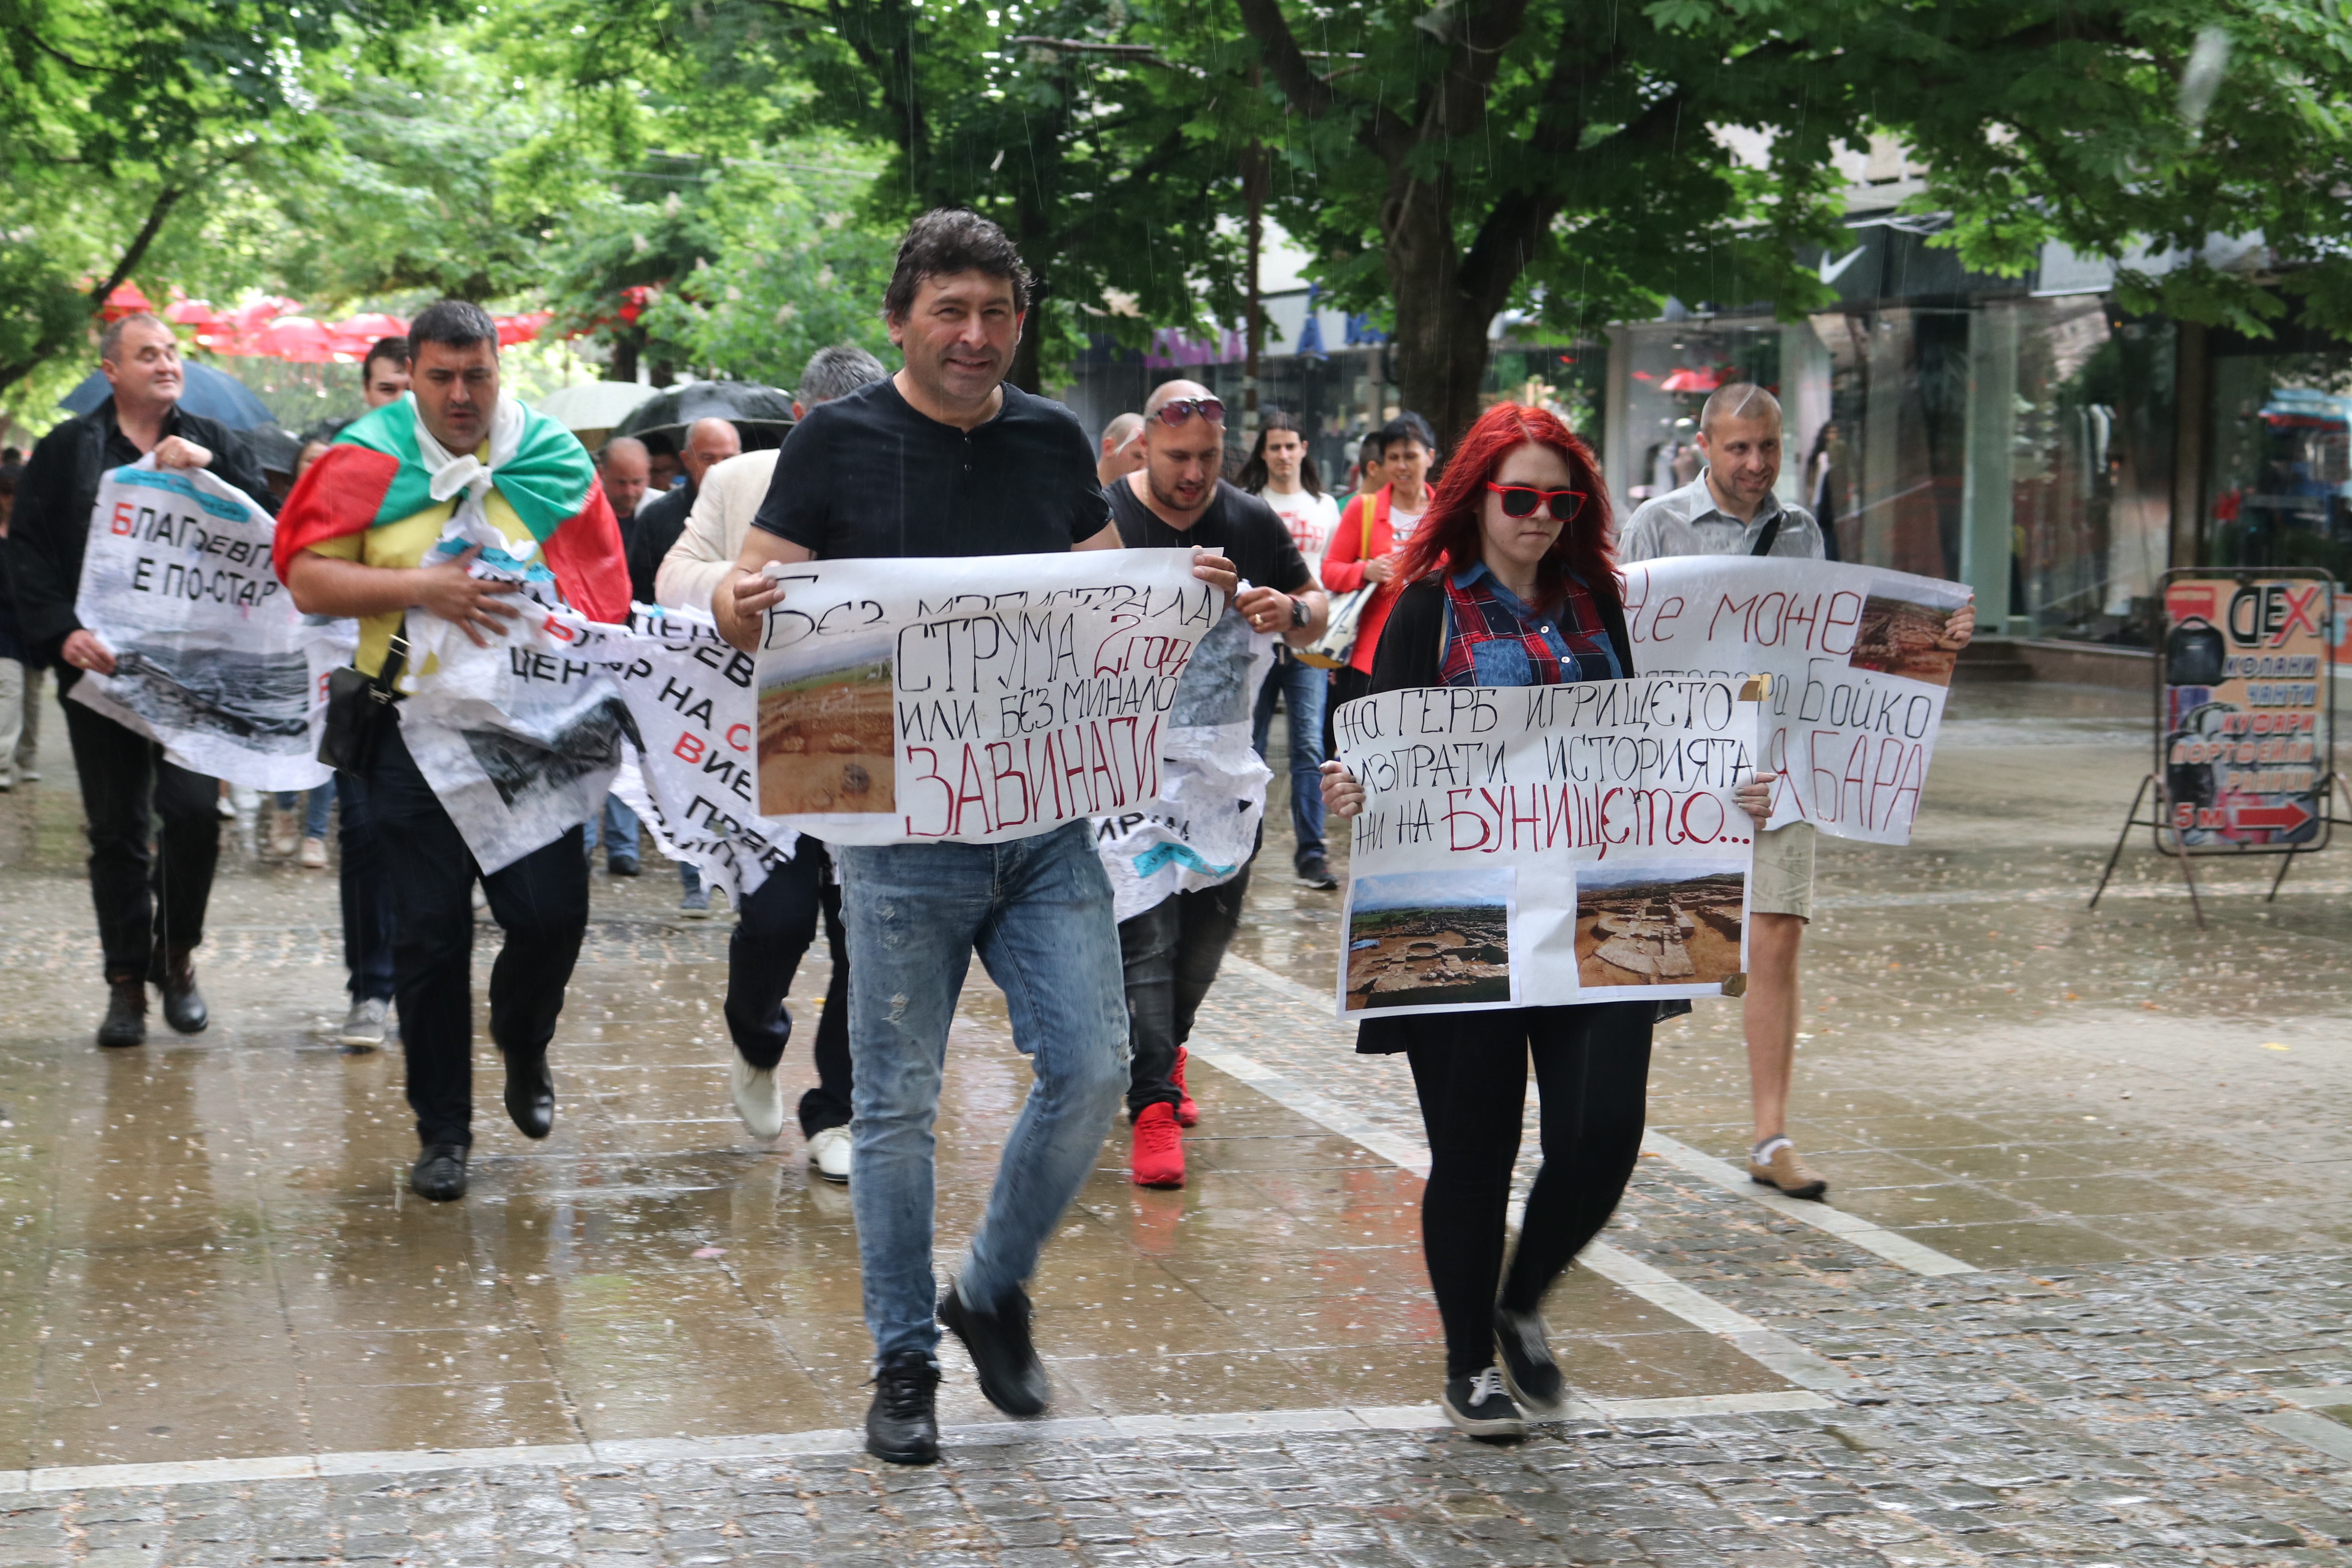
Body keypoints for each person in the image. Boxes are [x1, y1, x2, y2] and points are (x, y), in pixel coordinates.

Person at [713, 209, 1238, 1466]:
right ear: (901, 317)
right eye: (951, 309)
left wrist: (1196, 602)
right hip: (897, 840)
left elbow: (1107, 595)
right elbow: (753, 602)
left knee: (1096, 1067)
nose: (975, 334)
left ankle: (989, 1286)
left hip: (1047, 821)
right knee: (892, 1109)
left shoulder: (1054, 436)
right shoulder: (834, 441)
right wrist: (740, 602)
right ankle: (903, 1359)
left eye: (998, 312)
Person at [1319, 401, 1777, 1441]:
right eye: (1518, 498)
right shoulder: (1422, 606)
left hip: (1604, 903)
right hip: (1461, 906)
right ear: (1476, 496)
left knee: (1604, 1132)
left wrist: (1724, 792)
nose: (1536, 519)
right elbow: (1367, 734)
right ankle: (1469, 1363)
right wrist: (1351, 788)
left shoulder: (1595, 604)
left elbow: (1653, 740)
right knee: (1475, 1151)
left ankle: (1522, 1297)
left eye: (1558, 502)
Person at [276, 299, 630, 1202]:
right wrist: (421, 585)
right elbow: (306, 572)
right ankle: (443, 1131)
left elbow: (606, 598)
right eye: (441, 377)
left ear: (501, 370)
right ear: (414, 372)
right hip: (406, 729)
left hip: (533, 730)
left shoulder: (551, 458)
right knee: (428, 940)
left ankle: (524, 1038)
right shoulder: (368, 457)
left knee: (551, 916)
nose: (461, 394)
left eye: (479, 375)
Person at [1619, 383, 1971, 1202]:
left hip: (1779, 761)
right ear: (1704, 444)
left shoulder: (1804, 529)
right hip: (1677, 765)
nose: (1754, 464)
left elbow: (1841, 641)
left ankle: (1771, 1135)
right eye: (1739, 447)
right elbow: (1624, 642)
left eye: (1768, 447)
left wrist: (1935, 632)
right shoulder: (1656, 525)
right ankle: (1614, 1122)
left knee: (1777, 936)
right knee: (1646, 943)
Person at [7, 314, 274, 1046]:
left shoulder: (215, 442)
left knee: (192, 815)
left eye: (172, 353)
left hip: (194, 676)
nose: (166, 364)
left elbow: (269, 530)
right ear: (111, 371)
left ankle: (176, 956)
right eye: (147, 354)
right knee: (119, 830)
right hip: (102, 673)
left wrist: (210, 471)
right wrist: (62, 630)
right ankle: (127, 983)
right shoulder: (69, 450)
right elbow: (27, 550)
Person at [657, 341, 889, 1174]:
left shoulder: (914, 475)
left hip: (875, 733)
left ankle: (837, 1112)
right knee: (777, 917)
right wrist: (741, 582)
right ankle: (757, 1037)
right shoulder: (737, 481)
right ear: (802, 420)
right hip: (764, 739)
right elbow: (673, 575)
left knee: (868, 929)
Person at [1110, 382, 1326, 1188]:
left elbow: (1319, 607)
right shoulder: (1103, 517)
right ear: (1145, 452)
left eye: (1206, 457)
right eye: (1177, 459)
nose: (1194, 474)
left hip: (1224, 776)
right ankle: (1153, 1102)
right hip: (1126, 778)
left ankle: (1171, 1046)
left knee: (1203, 946)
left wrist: (1293, 613)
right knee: (1149, 941)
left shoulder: (1250, 519)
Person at [1237, 411, 1339, 889]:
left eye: (1290, 446)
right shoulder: (1248, 503)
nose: (1282, 455)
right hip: (1253, 643)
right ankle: (1240, 846)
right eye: (1274, 447)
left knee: (1310, 747)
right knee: (1246, 748)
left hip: (1310, 646)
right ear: (1263, 452)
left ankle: (1312, 854)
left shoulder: (1325, 507)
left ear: (1303, 450)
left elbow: (1331, 582)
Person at [1318, 412, 1438, 757]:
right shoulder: (1363, 508)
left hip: (1433, 654)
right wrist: (1365, 571)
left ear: (1430, 457)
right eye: (1394, 458)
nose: (1402, 466)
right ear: (1382, 463)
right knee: (1365, 762)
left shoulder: (1445, 512)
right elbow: (1329, 572)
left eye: (1411, 456)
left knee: (1421, 759)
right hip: (1368, 660)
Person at [1094, 411, 1145, 487]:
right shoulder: (1075, 491)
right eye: (1137, 456)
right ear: (1109, 447)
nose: (1144, 469)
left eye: (1150, 462)